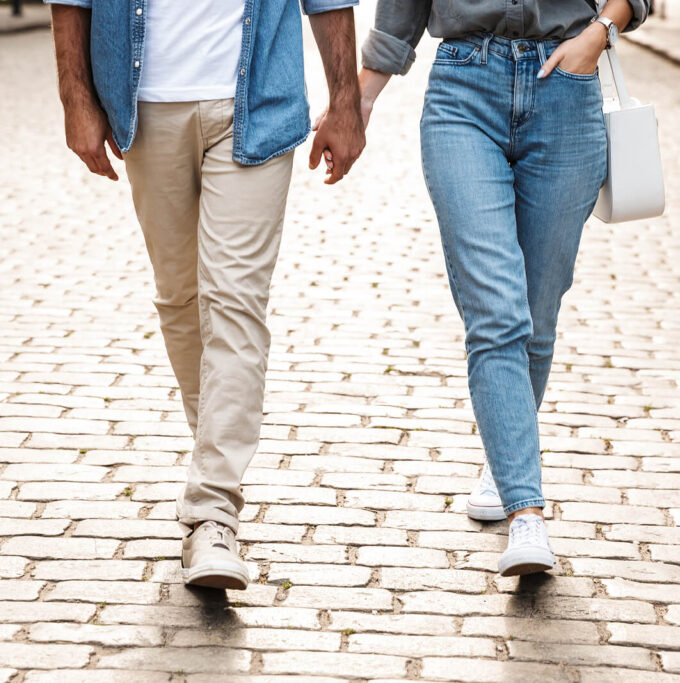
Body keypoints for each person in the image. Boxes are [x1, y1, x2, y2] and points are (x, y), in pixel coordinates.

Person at [46, 0, 364, 590]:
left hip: (258, 103)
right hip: (145, 103)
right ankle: (215, 446)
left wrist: (345, 99)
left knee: (234, 303)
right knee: (180, 299)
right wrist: (76, 96)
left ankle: (213, 511)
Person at [357, 0, 649, 576]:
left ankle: (503, 452)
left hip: (567, 89)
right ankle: (526, 511)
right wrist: (358, 99)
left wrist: (600, 33)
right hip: (465, 92)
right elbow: (401, 9)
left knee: (537, 313)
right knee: (496, 311)